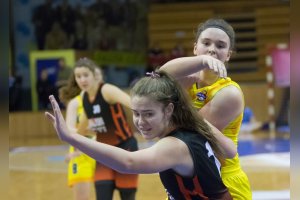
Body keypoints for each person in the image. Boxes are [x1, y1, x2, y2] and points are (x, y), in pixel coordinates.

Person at [45, 70, 236, 200]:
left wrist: (72, 138)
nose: (140, 122)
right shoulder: (191, 127)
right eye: (136, 113)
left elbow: (128, 162)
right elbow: (230, 150)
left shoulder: (175, 146)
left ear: (169, 109)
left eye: (149, 114)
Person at [159, 18, 252, 199]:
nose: (212, 49)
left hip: (221, 180)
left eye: (220, 45)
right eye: (206, 43)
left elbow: (192, 132)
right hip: (186, 176)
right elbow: (158, 77)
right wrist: (200, 62)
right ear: (195, 48)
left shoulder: (229, 93)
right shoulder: (187, 78)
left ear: (228, 55)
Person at [61, 57, 139, 200]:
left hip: (125, 149)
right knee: (102, 195)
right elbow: (81, 130)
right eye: (79, 76)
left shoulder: (107, 90)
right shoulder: (84, 98)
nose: (82, 79)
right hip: (104, 153)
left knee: (127, 196)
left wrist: (147, 121)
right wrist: (76, 149)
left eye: (86, 75)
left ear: (94, 75)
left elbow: (133, 103)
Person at [58, 67, 103, 200]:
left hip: (102, 153)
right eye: (80, 76)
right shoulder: (75, 103)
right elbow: (68, 131)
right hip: (80, 154)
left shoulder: (105, 100)